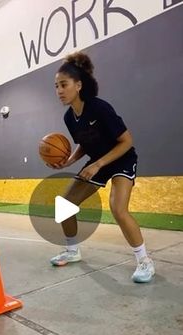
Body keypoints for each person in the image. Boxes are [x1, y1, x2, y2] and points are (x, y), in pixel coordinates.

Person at [48, 51, 154, 283]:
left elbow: (127, 141)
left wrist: (98, 164)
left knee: (118, 208)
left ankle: (145, 261)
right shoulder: (69, 117)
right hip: (97, 162)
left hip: (121, 159)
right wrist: (68, 162)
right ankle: (73, 251)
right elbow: (84, 144)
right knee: (64, 205)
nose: (59, 91)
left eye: (63, 85)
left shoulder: (99, 108)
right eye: (56, 86)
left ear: (78, 85)